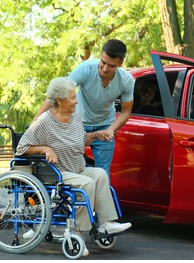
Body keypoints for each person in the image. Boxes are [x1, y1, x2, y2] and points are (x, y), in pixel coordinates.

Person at [16, 77, 132, 256]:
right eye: (72, 97)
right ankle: (77, 232)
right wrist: (45, 148)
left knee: (100, 174)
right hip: (58, 173)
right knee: (87, 183)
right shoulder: (43, 122)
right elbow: (21, 148)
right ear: (60, 100)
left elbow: (80, 140)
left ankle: (106, 222)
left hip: (76, 167)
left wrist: (96, 135)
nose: (76, 101)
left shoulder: (75, 118)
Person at [35, 39, 134, 179]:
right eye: (103, 62)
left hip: (105, 126)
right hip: (77, 124)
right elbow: (59, 93)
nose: (105, 69)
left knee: (103, 174)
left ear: (120, 63)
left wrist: (111, 129)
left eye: (111, 66)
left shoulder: (126, 80)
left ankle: (97, 201)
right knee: (72, 169)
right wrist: (37, 120)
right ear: (100, 56)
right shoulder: (86, 69)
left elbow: (126, 111)